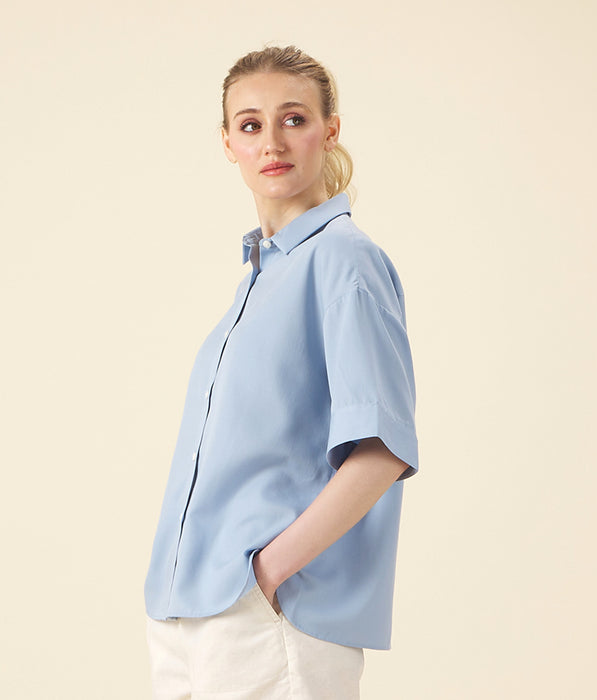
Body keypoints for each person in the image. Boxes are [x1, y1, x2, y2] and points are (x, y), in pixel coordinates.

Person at [144, 45, 419, 700]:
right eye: (251, 124)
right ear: (228, 143)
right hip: (189, 612)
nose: (272, 141)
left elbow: (381, 451)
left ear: (330, 130)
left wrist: (266, 575)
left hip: (271, 616)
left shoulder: (343, 259)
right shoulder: (262, 275)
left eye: (294, 119)